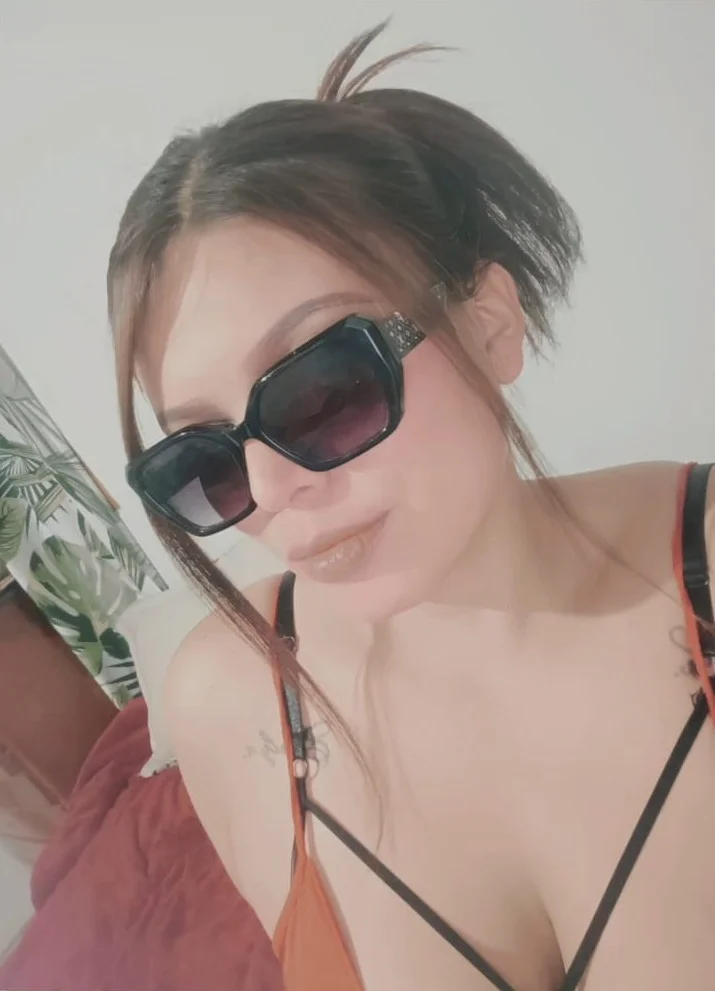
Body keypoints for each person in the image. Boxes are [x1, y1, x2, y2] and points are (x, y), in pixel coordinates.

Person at [109, 23, 714, 991]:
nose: (270, 493)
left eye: (320, 391)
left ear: (489, 324)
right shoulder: (226, 701)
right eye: (203, 461)